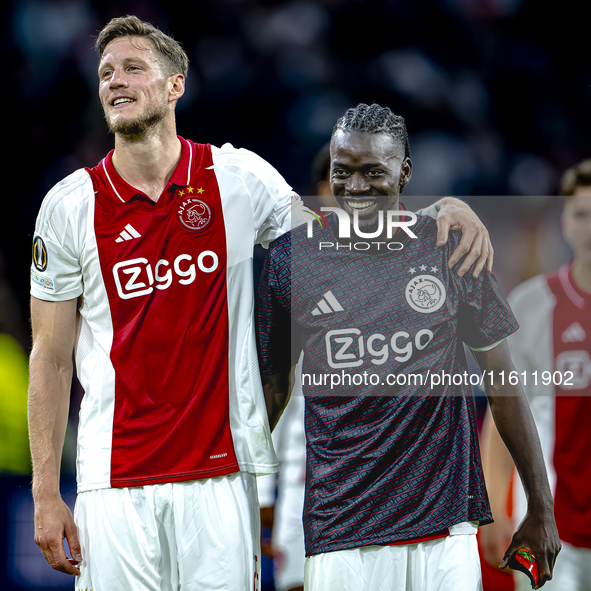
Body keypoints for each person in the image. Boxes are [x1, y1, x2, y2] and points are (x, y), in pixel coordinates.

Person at [28, 18, 495, 591]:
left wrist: (436, 215)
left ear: (176, 85)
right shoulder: (69, 205)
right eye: (105, 73)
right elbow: (49, 356)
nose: (115, 81)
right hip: (112, 478)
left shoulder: (239, 177)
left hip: (223, 474)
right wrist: (46, 492)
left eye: (132, 67)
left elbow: (338, 244)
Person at [257, 103, 561, 591]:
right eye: (342, 172)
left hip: (446, 526)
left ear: (405, 172)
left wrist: (540, 508)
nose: (355, 188)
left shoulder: (451, 246)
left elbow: (503, 381)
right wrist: (247, 493)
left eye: (373, 172)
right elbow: (271, 396)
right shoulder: (292, 260)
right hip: (342, 529)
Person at [480, 160, 591, 591]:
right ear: (563, 222)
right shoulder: (530, 305)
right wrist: (492, 503)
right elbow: (505, 412)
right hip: (551, 526)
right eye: (581, 213)